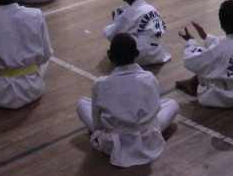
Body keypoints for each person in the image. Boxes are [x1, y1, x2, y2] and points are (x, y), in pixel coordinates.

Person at [76, 33, 179, 167]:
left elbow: (97, 125)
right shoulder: (148, 77)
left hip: (113, 144)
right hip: (145, 139)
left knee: (82, 104)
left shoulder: (101, 84)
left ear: (110, 55)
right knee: (172, 104)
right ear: (137, 53)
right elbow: (154, 110)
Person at [176, 0, 233, 107]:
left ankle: (194, 86)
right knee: (215, 61)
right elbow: (225, 45)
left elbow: (190, 60)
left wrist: (190, 41)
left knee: (207, 60)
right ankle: (192, 83)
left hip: (230, 97)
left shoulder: (220, 48)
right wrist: (206, 37)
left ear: (221, 24)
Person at [102, 0, 171, 65]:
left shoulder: (129, 13)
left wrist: (116, 22)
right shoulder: (152, 9)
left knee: (120, 38)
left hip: (140, 54)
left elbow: (111, 34)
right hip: (159, 53)